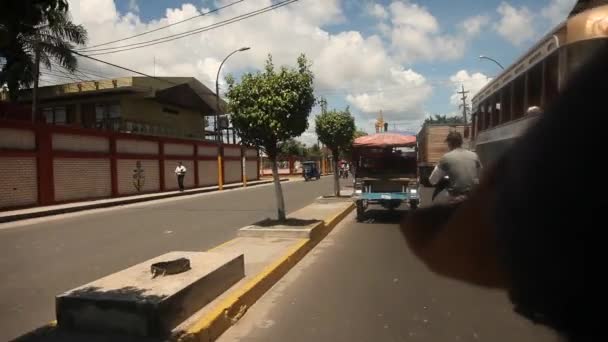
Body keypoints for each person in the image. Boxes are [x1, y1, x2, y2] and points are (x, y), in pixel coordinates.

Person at [400, 44, 607, 342]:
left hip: (468, 212)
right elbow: (483, 173)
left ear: (448, 145)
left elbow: (433, 183)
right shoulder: (473, 157)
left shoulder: (447, 160)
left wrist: (433, 190)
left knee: (436, 217)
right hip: (476, 197)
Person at [428, 131, 481, 203]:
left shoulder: (446, 158)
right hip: (474, 197)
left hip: (456, 198)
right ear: (461, 142)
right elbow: (480, 175)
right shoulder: (474, 155)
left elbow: (433, 180)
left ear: (449, 143)